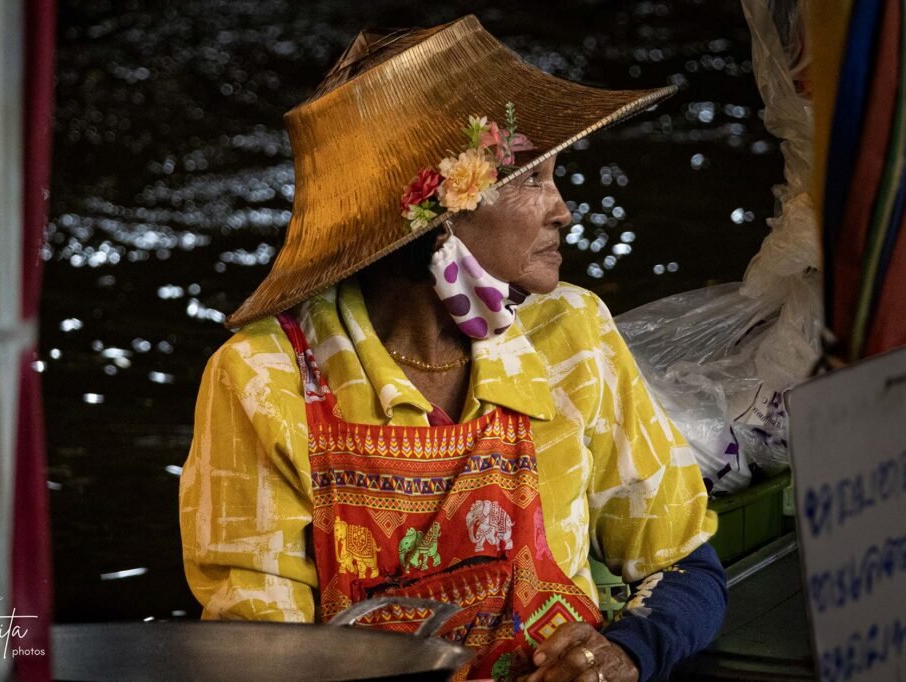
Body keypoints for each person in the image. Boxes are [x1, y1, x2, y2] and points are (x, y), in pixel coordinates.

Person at [179, 15, 727, 682]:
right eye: (531, 178)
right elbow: (259, 653)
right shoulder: (266, 377)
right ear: (441, 216)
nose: (564, 210)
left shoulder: (571, 335)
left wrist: (625, 655)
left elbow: (683, 564)